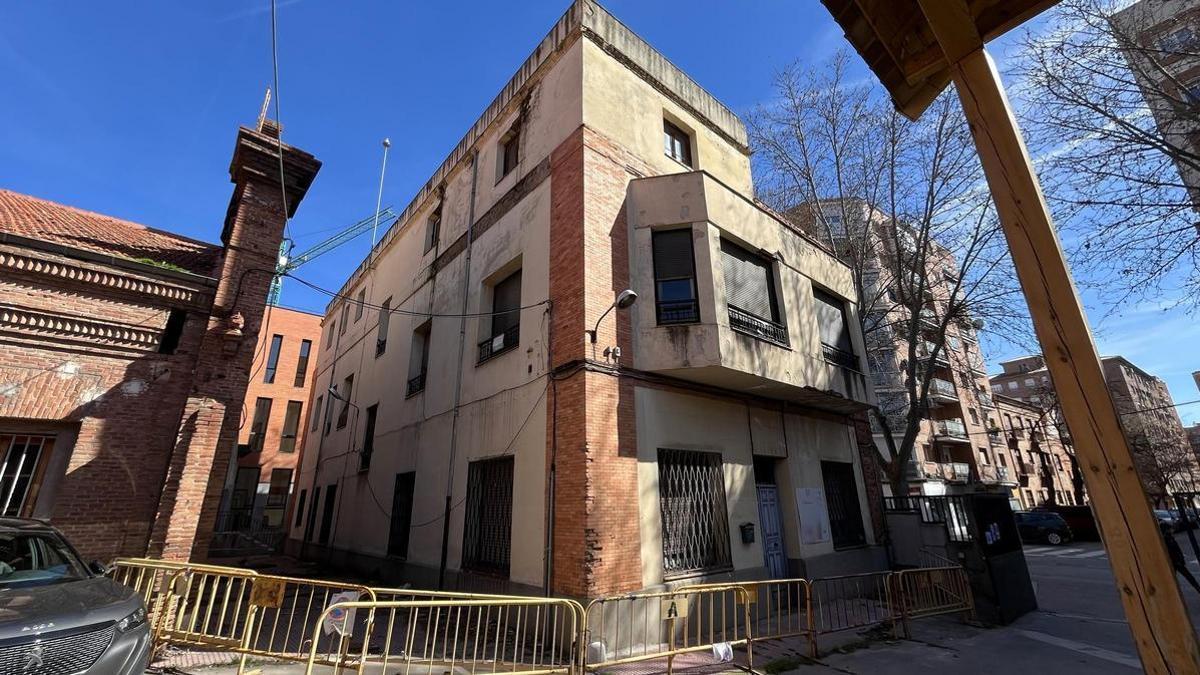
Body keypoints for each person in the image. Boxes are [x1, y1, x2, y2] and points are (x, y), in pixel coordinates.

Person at [1162, 522, 1200, 593]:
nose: (1171, 530)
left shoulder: (1169, 538)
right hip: (1176, 562)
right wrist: (1178, 560)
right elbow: (1173, 551)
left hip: (1177, 562)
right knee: (1188, 577)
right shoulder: (1167, 539)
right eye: (1169, 529)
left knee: (1188, 577)